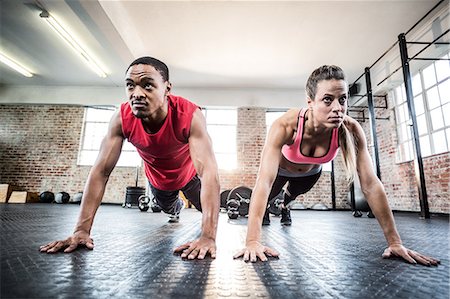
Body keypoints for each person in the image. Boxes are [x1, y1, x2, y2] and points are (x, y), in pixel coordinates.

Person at [234, 65, 440, 266]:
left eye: (342, 99)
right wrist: (252, 242)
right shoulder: (286, 125)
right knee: (268, 195)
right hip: (281, 171)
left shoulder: (350, 129)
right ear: (310, 102)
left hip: (310, 174)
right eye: (327, 100)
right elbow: (263, 182)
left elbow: (370, 184)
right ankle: (272, 208)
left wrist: (395, 242)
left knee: (290, 197)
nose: (338, 108)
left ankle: (284, 206)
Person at [40, 56, 220, 260]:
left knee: (206, 207)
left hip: (190, 177)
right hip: (160, 182)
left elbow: (209, 172)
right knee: (169, 208)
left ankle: (189, 204)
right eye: (130, 86)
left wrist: (208, 236)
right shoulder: (121, 118)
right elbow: (100, 172)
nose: (137, 94)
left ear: (167, 88)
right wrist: (81, 230)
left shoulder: (189, 114)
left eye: (148, 85)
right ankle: (176, 206)